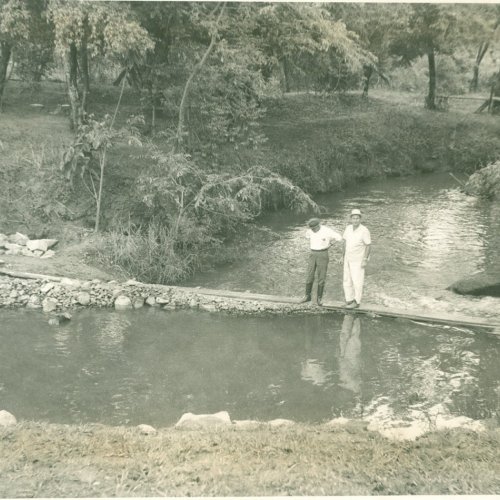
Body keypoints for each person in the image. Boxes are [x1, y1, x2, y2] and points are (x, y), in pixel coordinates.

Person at [299, 218, 342, 306]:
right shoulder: (309, 231)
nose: (313, 230)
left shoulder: (327, 230)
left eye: (314, 228)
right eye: (311, 229)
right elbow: (307, 236)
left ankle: (319, 298)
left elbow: (339, 237)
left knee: (321, 276)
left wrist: (330, 244)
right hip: (312, 253)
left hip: (323, 253)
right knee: (309, 275)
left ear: (318, 225)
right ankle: (307, 296)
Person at [342, 209, 371, 308]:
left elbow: (368, 245)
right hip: (347, 258)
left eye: (357, 218)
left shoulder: (364, 230)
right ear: (350, 219)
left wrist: (365, 260)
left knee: (357, 280)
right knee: (347, 279)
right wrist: (342, 257)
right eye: (353, 218)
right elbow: (345, 242)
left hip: (358, 259)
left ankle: (357, 302)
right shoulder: (348, 228)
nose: (355, 220)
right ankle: (349, 300)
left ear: (360, 219)